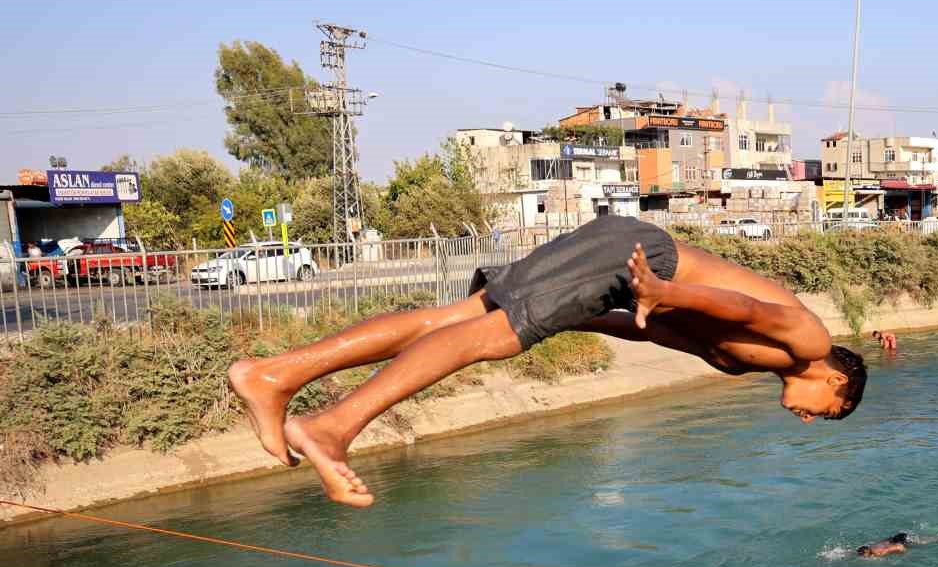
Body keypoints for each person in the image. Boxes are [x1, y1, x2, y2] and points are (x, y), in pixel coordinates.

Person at [227, 216, 868, 507]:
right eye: (828, 413)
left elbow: (649, 335)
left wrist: (571, 318)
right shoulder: (809, 341)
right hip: (651, 260)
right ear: (836, 379)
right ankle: (332, 427)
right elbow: (745, 308)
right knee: (489, 338)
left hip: (627, 268)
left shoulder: (739, 368)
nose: (811, 420)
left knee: (455, 321)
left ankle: (274, 375)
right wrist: (664, 290)